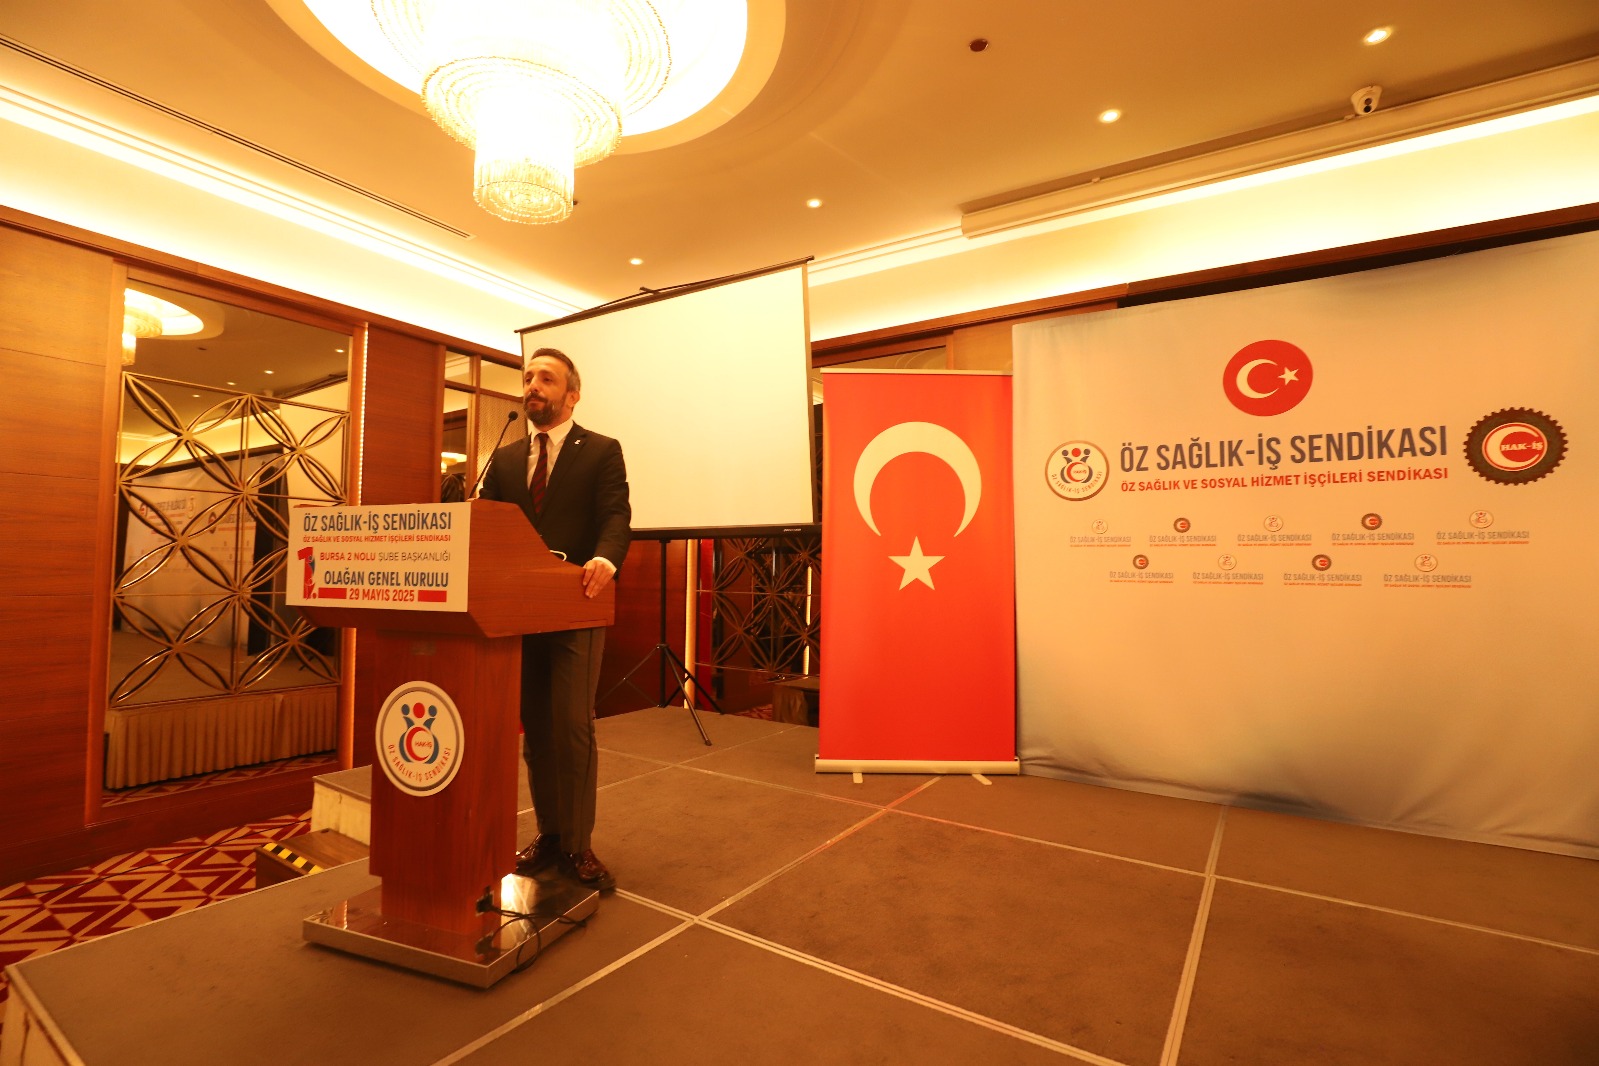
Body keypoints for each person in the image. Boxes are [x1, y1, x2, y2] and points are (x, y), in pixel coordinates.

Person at [479, 347, 630, 892]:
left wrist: (606, 559)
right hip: (520, 610)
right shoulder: (505, 458)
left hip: (577, 602)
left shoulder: (601, 450)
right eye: (528, 377)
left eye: (546, 378)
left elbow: (615, 515)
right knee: (537, 729)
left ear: (572, 394)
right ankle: (549, 833)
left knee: (570, 726)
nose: (532, 386)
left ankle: (577, 843)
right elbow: (485, 521)